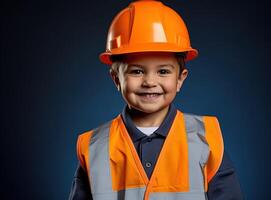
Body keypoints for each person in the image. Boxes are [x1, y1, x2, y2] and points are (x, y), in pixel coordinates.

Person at [68, 0, 243, 199]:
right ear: (116, 79)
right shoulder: (93, 148)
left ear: (180, 79)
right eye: (137, 71)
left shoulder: (207, 140)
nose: (150, 81)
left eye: (163, 71)